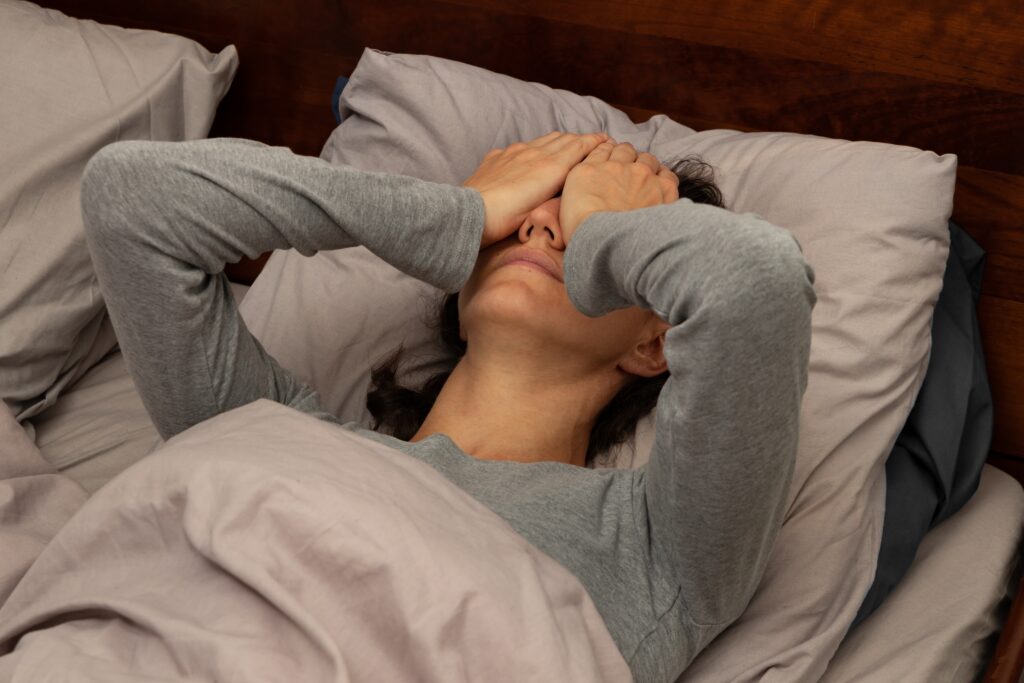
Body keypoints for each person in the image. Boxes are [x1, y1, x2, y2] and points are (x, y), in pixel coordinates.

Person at [80, 131, 816, 682]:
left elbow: (754, 284)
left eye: (587, 217)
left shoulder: (658, 552)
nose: (541, 224)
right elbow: (130, 199)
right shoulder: (273, 424)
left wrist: (599, 235)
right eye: (529, 209)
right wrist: (454, 215)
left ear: (655, 343)